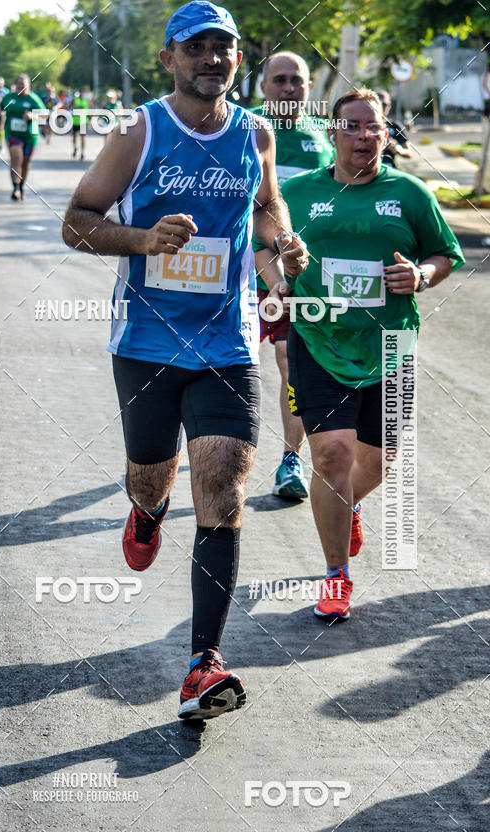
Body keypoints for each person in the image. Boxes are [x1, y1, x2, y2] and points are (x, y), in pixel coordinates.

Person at [62, 1, 307, 719]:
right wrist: (143, 241)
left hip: (228, 342)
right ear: (168, 57)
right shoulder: (137, 131)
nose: (212, 58)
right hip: (145, 342)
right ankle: (146, 510)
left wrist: (281, 251)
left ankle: (204, 663)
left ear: (238, 60)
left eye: (223, 48)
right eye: (196, 47)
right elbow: (77, 221)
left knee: (224, 487)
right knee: (150, 476)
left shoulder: (255, 133)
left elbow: (266, 212)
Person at [254, 88, 464, 621]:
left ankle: (349, 504)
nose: (364, 136)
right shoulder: (297, 194)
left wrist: (420, 275)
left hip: (391, 345)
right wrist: (278, 282)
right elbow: (261, 242)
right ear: (333, 132)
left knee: (377, 460)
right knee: (330, 458)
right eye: (353, 126)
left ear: (385, 133)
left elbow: (446, 254)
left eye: (374, 127)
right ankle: (335, 575)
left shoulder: (411, 194)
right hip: (318, 337)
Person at [252, 52, 334, 500]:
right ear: (263, 85)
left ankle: (289, 460)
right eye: (278, 80)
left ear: (308, 86)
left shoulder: (324, 136)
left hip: (294, 276)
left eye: (296, 81)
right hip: (235, 272)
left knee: (289, 362)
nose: (288, 88)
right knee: (221, 370)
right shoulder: (243, 129)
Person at [0, 73, 46, 201]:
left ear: (28, 86)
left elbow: (44, 115)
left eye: (23, 84)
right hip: (13, 134)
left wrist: (32, 116)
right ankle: (15, 187)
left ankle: (21, 187)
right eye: (18, 84)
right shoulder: (9, 97)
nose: (20, 86)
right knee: (16, 159)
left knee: (25, 163)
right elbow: (0, 107)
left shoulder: (33, 99)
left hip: (30, 136)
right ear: (15, 85)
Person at [377, 90, 413, 168]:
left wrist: (397, 149)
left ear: (389, 106)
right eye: (378, 104)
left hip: (390, 170)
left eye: (384, 105)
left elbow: (409, 152)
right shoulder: (365, 126)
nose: (381, 107)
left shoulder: (394, 126)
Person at [69, 86, 93, 160]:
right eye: (81, 92)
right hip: (75, 121)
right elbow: (69, 107)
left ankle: (82, 152)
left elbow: (91, 109)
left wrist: (90, 117)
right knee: (74, 136)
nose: (82, 94)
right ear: (79, 93)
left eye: (84, 92)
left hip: (83, 121)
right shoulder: (74, 99)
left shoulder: (87, 100)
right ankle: (75, 148)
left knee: (83, 137)